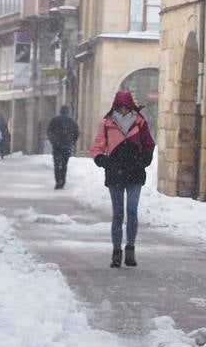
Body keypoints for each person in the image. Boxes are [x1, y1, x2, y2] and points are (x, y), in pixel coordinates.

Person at [89, 89, 155, 268]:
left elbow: (149, 144)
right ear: (116, 107)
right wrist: (101, 159)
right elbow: (97, 145)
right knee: (118, 214)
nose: (123, 111)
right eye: (120, 108)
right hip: (115, 173)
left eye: (126, 107)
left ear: (131, 106)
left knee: (132, 210)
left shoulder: (140, 122)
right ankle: (116, 252)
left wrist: (145, 159)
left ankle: (130, 250)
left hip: (135, 173)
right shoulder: (107, 123)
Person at [46, 106, 80, 190]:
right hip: (67, 146)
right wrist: (72, 142)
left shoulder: (55, 120)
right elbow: (76, 133)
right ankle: (63, 181)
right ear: (68, 112)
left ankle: (58, 181)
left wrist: (53, 141)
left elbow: (49, 131)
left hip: (57, 145)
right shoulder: (72, 121)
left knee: (57, 164)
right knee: (64, 164)